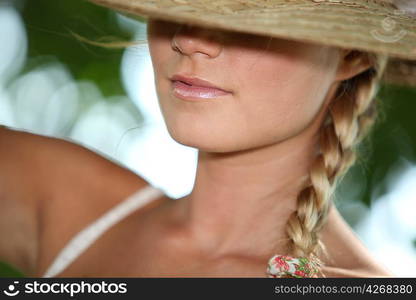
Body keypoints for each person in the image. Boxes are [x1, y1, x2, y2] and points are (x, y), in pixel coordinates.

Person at [1, 0, 415, 278]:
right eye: (179, 2)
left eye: (249, 14)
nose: (190, 39)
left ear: (352, 53)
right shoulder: (62, 200)